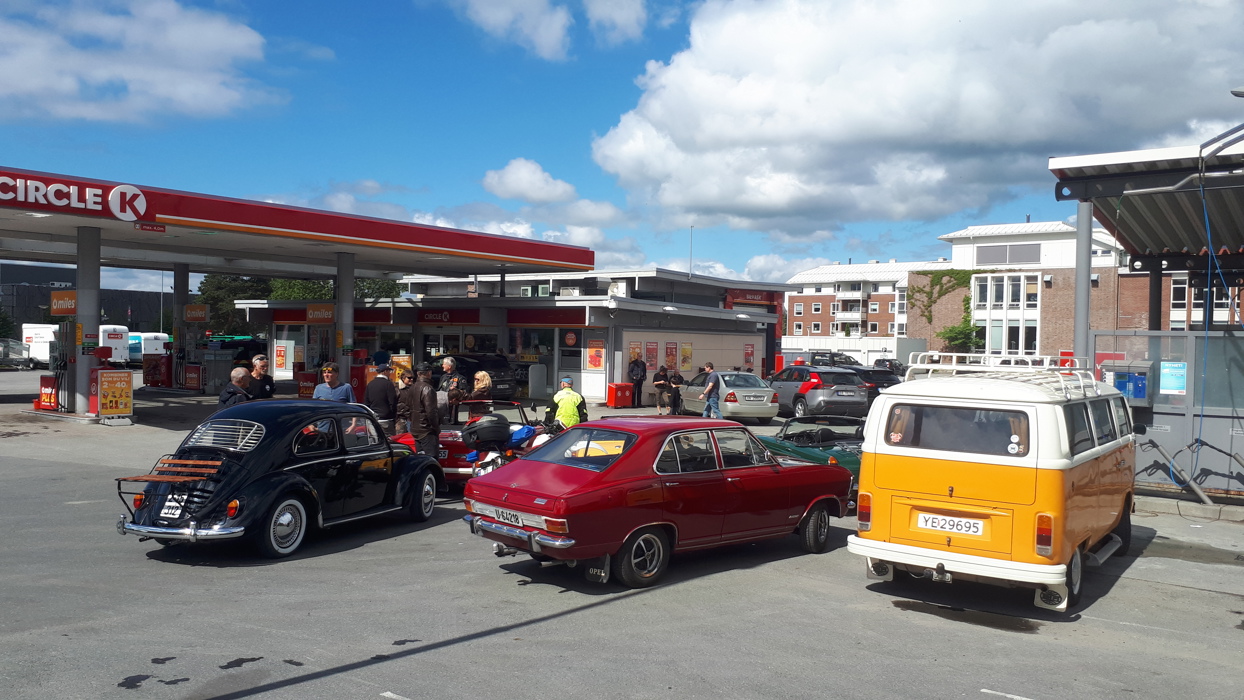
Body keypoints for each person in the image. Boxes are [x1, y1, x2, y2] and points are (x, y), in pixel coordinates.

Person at [400, 362, 440, 456]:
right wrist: (436, 427)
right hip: (426, 430)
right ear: (429, 373)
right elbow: (431, 412)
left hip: (415, 429)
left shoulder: (412, 387)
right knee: (431, 458)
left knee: (420, 457)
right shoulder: (428, 388)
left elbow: (407, 407)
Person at [364, 364, 398, 434]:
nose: (390, 373)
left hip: (373, 418)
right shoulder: (388, 384)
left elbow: (366, 402)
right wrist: (393, 415)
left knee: (375, 439)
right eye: (389, 371)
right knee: (389, 439)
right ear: (384, 372)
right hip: (386, 419)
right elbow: (393, 402)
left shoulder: (370, 384)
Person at [438, 356, 467, 421]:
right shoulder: (443, 377)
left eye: (444, 364)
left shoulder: (460, 378)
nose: (442, 366)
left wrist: (456, 391)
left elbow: (464, 393)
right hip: (443, 407)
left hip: (454, 410)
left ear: (449, 366)